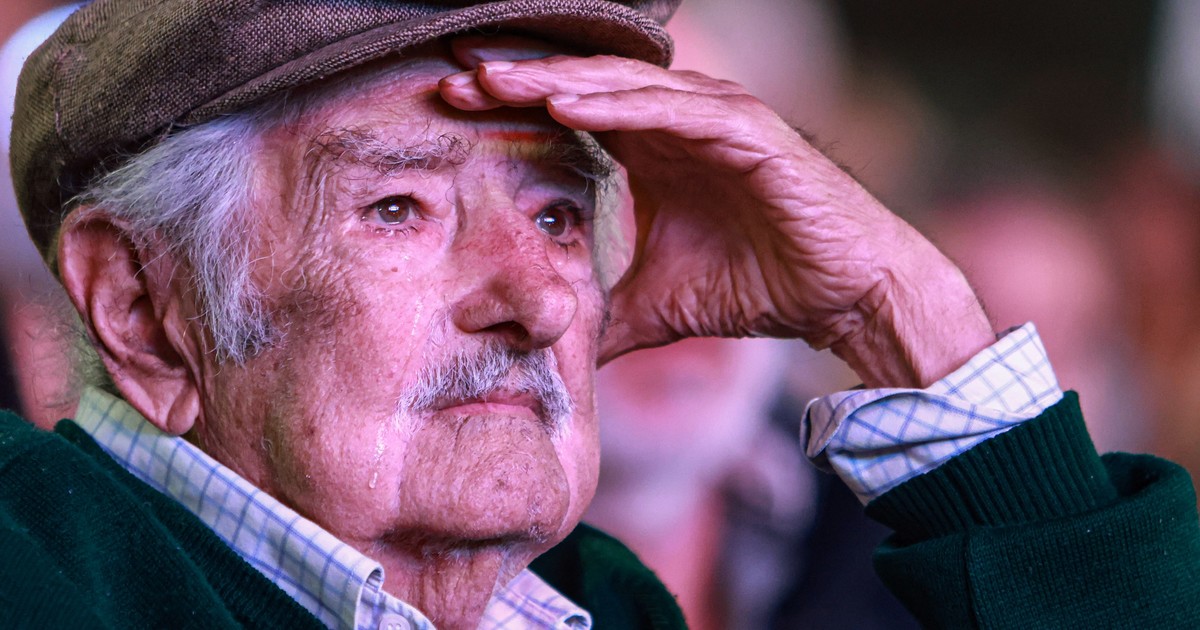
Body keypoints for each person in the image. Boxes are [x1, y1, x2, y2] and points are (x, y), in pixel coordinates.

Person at [2, 1, 1198, 629]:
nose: (532, 297)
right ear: (141, 307)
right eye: (400, 207)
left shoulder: (602, 606)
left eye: (559, 215)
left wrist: (907, 315)